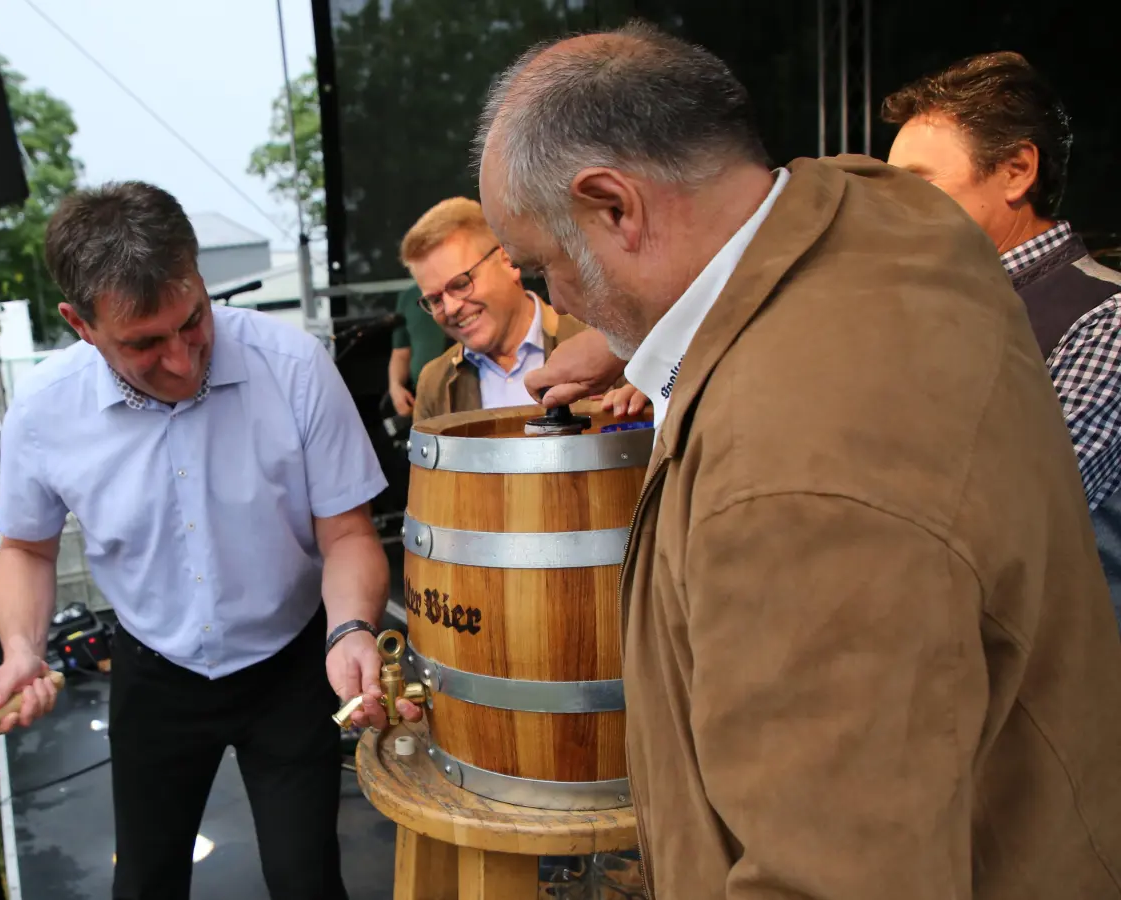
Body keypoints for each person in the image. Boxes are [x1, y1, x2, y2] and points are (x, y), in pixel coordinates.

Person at [479, 21, 1121, 898]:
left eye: (541, 270)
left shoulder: (786, 484)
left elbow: (833, 876)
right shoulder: (893, 221)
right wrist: (645, 338)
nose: (559, 302)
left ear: (616, 207)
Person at [0, 181, 411, 900]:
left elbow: (346, 535)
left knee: (307, 880)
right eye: (144, 343)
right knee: (145, 883)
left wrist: (353, 629)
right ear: (80, 324)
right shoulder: (44, 410)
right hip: (153, 670)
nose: (181, 361)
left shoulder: (295, 366)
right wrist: (23, 648)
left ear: (201, 278)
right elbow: (26, 548)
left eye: (193, 321)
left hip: (296, 665)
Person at [884, 51, 1121, 625]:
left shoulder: (1106, 318)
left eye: (919, 183)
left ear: (1017, 169)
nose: (891, 206)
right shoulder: (915, 310)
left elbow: (1004, 519)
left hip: (1060, 698)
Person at [398, 197, 612, 422]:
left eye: (461, 284)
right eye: (435, 300)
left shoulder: (605, 345)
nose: (450, 309)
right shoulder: (434, 383)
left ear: (508, 261)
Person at [386, 285, 449, 417]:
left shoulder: (457, 290)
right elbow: (400, 353)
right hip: (422, 399)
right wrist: (395, 386)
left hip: (464, 393)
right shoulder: (408, 296)